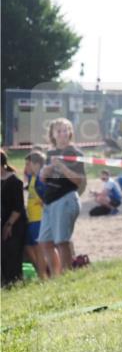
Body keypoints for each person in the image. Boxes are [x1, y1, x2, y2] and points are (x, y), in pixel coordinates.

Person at [38, 118, 85, 277]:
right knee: (45, 242)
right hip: (49, 202)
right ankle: (56, 276)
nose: (63, 134)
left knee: (62, 241)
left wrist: (61, 166)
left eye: (66, 130)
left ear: (70, 133)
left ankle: (67, 276)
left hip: (66, 199)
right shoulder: (50, 153)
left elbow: (78, 181)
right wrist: (44, 173)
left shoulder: (75, 153)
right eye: (59, 131)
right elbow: (44, 179)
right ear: (52, 134)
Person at [1, 151, 27, 287]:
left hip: (15, 224)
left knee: (12, 253)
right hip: (3, 221)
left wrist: (9, 225)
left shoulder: (14, 182)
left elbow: (18, 207)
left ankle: (14, 282)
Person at [23, 151, 49, 279]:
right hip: (31, 219)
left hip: (39, 219)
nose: (26, 167)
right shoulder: (32, 177)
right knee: (28, 246)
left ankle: (43, 275)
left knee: (39, 249)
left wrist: (44, 202)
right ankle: (41, 272)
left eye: (28, 164)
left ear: (37, 164)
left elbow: (48, 196)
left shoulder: (41, 178)